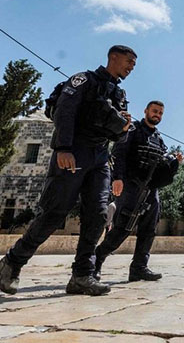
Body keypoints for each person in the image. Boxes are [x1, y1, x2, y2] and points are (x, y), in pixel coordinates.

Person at [0, 45, 136, 296]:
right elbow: (65, 111)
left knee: (97, 215)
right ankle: (12, 263)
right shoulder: (83, 80)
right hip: (75, 151)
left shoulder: (119, 93)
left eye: (134, 64)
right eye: (129, 61)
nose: (131, 67)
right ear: (113, 57)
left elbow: (117, 134)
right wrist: (63, 147)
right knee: (54, 213)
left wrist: (123, 127)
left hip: (100, 157)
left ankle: (82, 275)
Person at [93, 101, 182, 282]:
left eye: (160, 113)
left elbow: (160, 165)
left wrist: (175, 164)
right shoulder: (133, 129)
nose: (157, 115)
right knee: (123, 228)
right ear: (146, 111)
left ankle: (139, 268)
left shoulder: (158, 138)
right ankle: (96, 261)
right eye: (155, 111)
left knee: (149, 230)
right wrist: (117, 178)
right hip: (131, 186)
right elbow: (119, 153)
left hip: (151, 189)